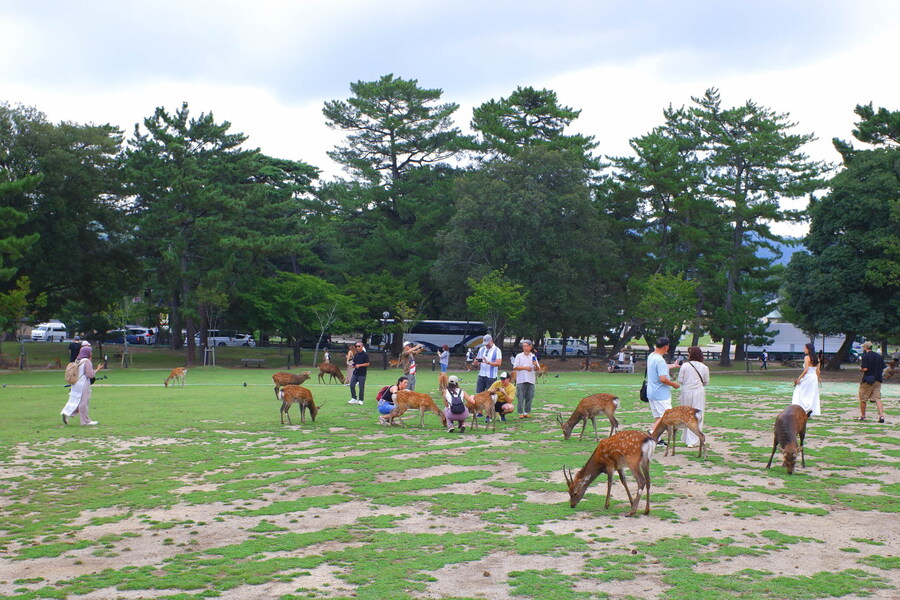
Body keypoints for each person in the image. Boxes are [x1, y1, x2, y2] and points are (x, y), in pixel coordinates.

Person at [647, 337, 681, 442]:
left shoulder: (652, 356)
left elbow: (661, 367)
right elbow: (663, 378)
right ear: (666, 347)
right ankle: (652, 433)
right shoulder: (660, 360)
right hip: (661, 394)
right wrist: (673, 384)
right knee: (665, 417)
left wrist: (673, 366)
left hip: (652, 392)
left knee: (658, 417)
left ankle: (658, 439)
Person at [60, 342, 102, 426]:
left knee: (76, 400)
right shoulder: (87, 362)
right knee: (84, 402)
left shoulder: (77, 360)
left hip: (75, 383)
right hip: (83, 383)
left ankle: (68, 412)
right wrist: (96, 370)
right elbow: (90, 375)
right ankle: (85, 421)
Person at [677, 346, 710, 447]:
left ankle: (688, 438)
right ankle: (693, 439)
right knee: (697, 414)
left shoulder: (685, 366)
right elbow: (706, 382)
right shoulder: (704, 367)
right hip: (698, 392)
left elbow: (680, 380)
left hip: (686, 391)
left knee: (687, 414)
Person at [857, 341, 886, 422]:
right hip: (878, 380)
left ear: (865, 347)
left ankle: (863, 416)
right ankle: (881, 416)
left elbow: (865, 369)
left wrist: (860, 369)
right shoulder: (879, 357)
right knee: (877, 398)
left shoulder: (865, 356)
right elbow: (883, 367)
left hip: (868, 380)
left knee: (863, 399)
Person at [791, 342, 821, 416]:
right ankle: (808, 409)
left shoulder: (807, 357)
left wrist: (799, 378)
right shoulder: (817, 358)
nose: (804, 349)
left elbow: (806, 370)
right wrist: (818, 379)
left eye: (805, 348)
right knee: (811, 394)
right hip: (813, 377)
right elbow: (818, 371)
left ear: (809, 349)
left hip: (807, 377)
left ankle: (803, 409)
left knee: (799, 392)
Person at [512, 339, 539, 419]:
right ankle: (520, 412)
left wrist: (535, 365)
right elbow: (515, 367)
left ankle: (527, 412)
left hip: (531, 380)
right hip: (521, 379)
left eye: (527, 346)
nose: (525, 348)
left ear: (530, 347)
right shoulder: (519, 356)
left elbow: (538, 369)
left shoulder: (533, 357)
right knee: (520, 396)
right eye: (524, 346)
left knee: (530, 396)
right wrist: (525, 368)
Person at [347, 341, 370, 405]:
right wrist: (353, 365)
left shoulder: (365, 354)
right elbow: (354, 362)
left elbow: (367, 363)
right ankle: (354, 398)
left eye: (358, 346)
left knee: (361, 387)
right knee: (351, 385)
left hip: (362, 374)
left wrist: (359, 365)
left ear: (362, 346)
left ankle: (361, 400)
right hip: (355, 373)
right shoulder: (356, 355)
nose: (357, 347)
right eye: (356, 346)